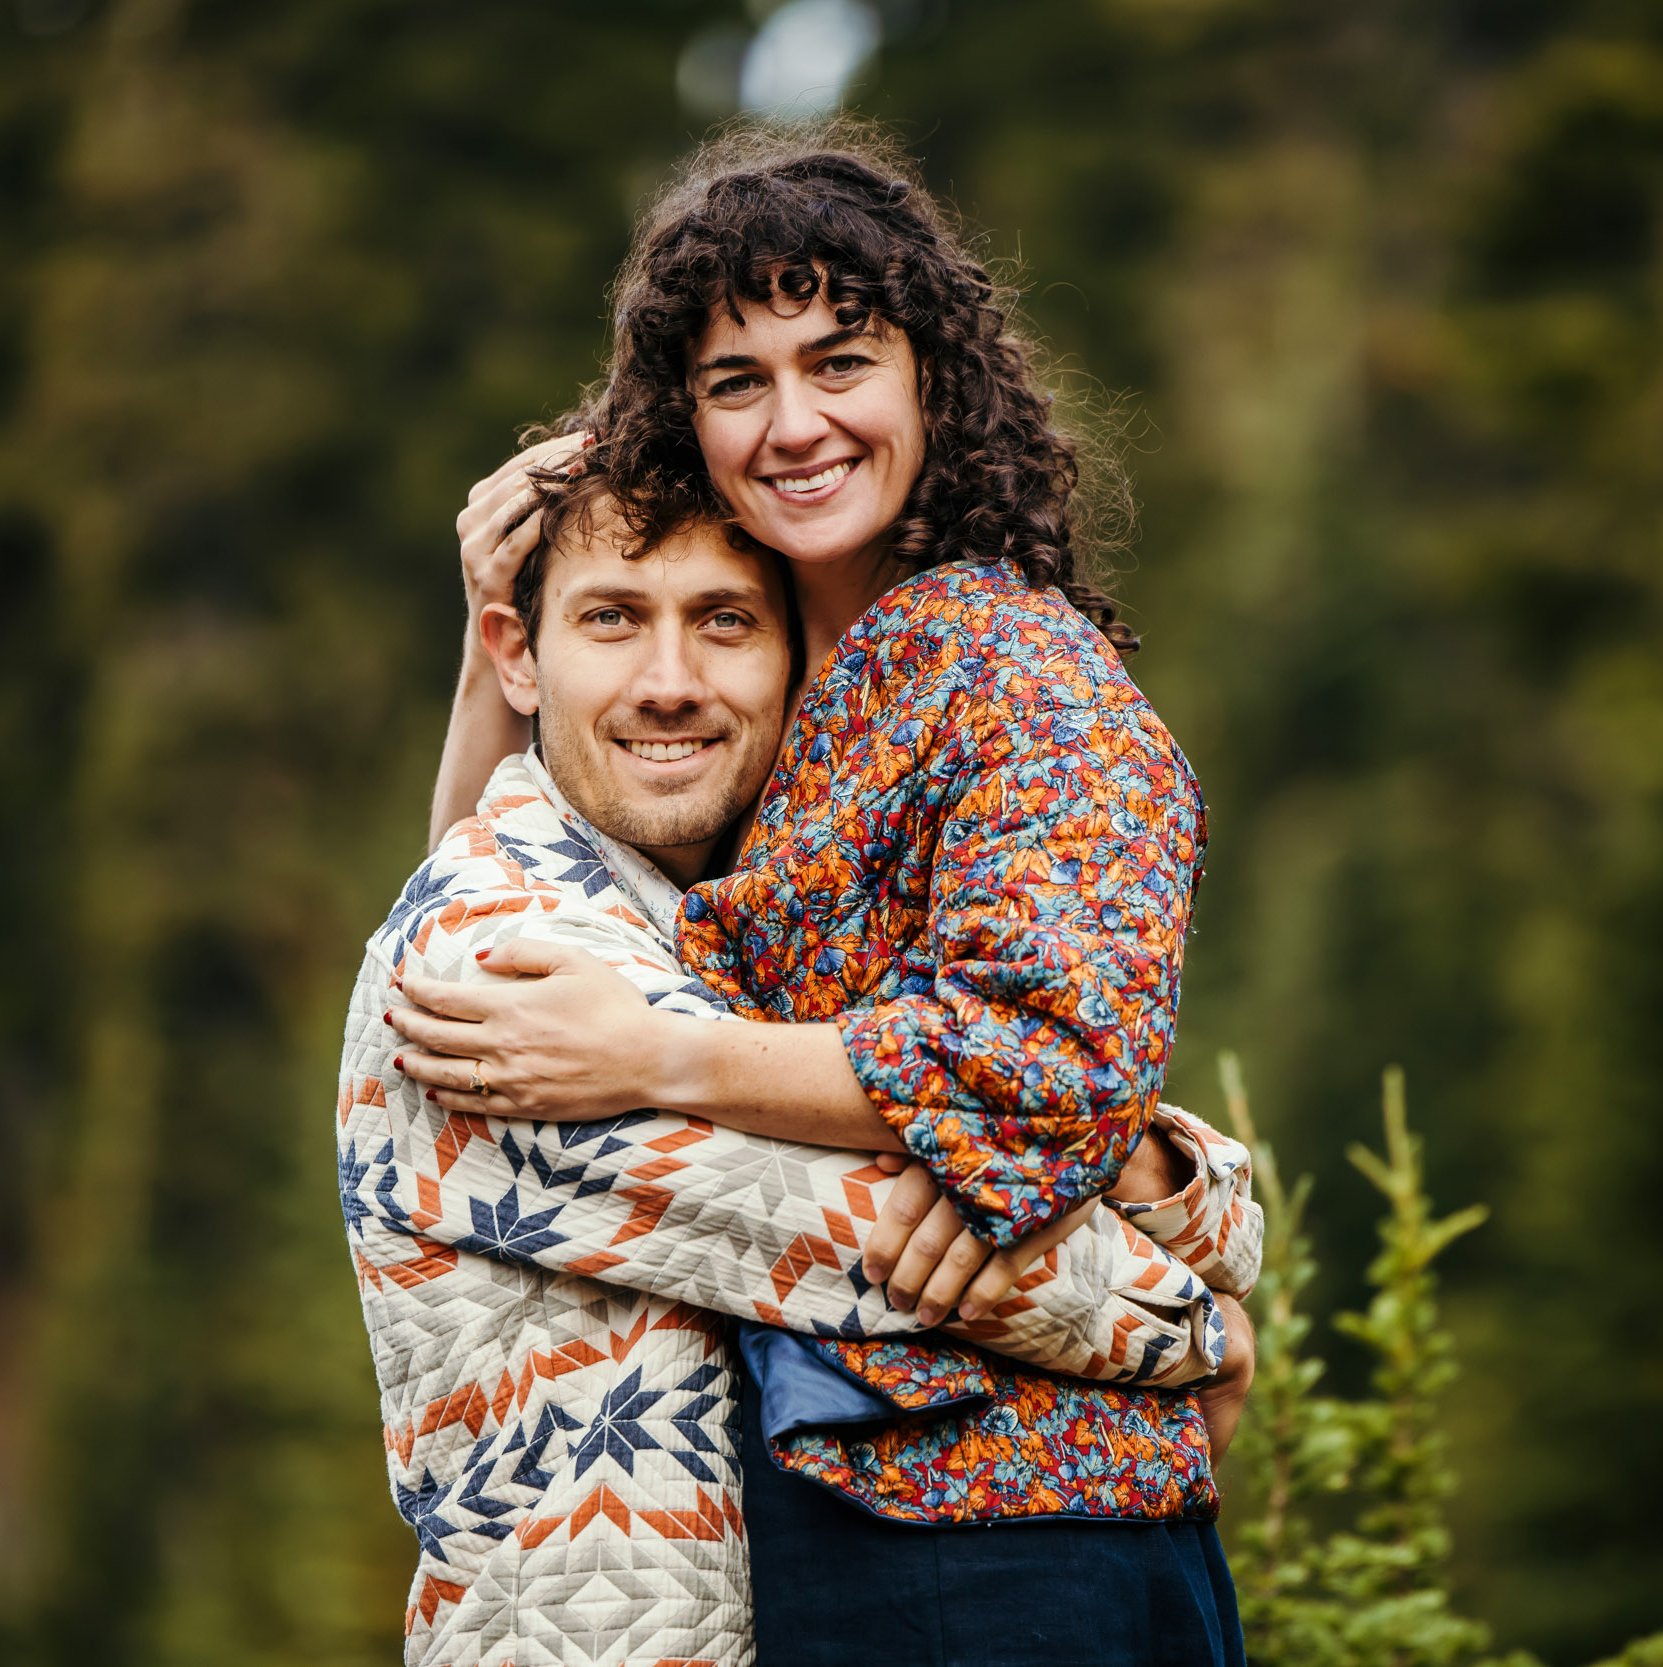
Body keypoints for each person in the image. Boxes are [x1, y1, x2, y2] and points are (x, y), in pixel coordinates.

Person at [388, 124, 1255, 1666]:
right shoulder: (768, 692)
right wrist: (490, 652)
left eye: (840, 360)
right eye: (736, 381)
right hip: (839, 1519)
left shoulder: (1012, 670)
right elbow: (501, 935)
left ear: (935, 379)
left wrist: (669, 1058)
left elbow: (1049, 1061)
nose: (794, 422)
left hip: (1012, 1529)